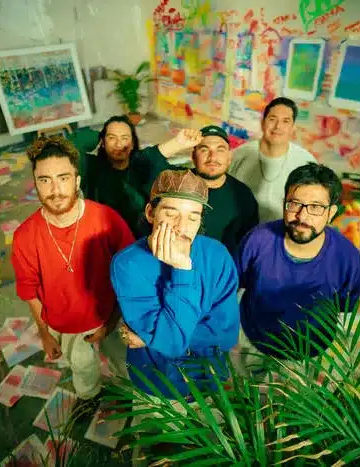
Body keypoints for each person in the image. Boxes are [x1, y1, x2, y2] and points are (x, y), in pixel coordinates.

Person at [12, 136, 134, 401]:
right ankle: (90, 397)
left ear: (77, 181)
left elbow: (131, 274)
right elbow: (29, 291)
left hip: (111, 312)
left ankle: (134, 394)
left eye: (63, 178)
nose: (55, 190)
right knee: (82, 368)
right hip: (65, 322)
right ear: (35, 184)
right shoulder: (24, 236)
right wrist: (45, 334)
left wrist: (113, 319)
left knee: (125, 363)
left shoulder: (106, 219)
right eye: (45, 180)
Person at [110, 169, 240, 398]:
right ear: (151, 213)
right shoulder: (128, 264)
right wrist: (182, 270)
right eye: (171, 214)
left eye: (193, 217)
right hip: (154, 378)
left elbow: (226, 335)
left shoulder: (217, 255)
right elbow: (171, 343)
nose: (182, 226)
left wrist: (149, 338)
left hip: (208, 377)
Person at [236, 163, 360, 368]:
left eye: (315, 207)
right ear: (284, 203)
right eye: (294, 204)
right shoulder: (257, 241)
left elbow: (345, 307)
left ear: (331, 212)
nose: (302, 217)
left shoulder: (348, 260)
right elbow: (237, 284)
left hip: (311, 354)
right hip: (254, 341)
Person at [81, 115, 200, 237]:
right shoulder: (91, 166)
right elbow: (71, 146)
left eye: (124, 138)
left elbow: (154, 156)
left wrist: (178, 142)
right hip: (101, 238)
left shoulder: (141, 165)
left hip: (139, 240)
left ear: (132, 143)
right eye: (111, 138)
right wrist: (96, 136)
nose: (118, 144)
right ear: (103, 142)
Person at [229, 97, 316, 222]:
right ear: (262, 123)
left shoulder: (305, 161)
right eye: (272, 119)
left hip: (284, 230)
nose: (278, 126)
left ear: (293, 128)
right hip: (240, 227)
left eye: (285, 121)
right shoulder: (240, 154)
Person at [190, 125, 259, 255]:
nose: (212, 157)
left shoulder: (243, 195)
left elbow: (248, 246)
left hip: (222, 265)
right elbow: (147, 163)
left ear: (229, 157)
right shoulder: (175, 183)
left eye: (220, 150)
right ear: (193, 156)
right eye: (204, 150)